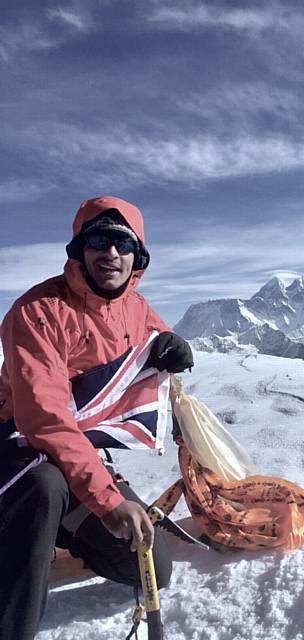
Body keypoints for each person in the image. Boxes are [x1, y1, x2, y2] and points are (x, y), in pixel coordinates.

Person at [0, 196, 194, 640]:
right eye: (99, 240)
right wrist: (107, 501)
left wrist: (171, 344)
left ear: (137, 258)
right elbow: (44, 418)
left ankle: (51, 536)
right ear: (79, 250)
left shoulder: (136, 308)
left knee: (149, 565)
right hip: (16, 452)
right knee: (43, 488)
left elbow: (152, 337)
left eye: (123, 244)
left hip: (82, 458)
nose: (111, 253)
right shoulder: (37, 312)